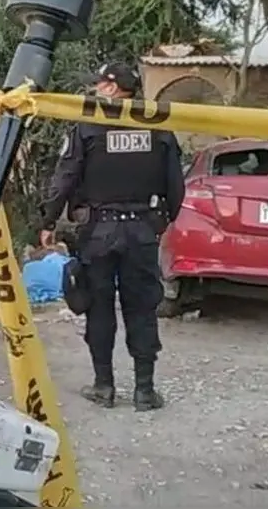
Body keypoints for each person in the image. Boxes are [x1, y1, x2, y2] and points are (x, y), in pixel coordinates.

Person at [39, 62, 183, 412]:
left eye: (103, 83)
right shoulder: (158, 126)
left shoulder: (88, 125)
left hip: (98, 231)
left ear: (118, 88)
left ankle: (104, 387)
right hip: (141, 230)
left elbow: (66, 175)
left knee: (99, 308)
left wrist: (47, 220)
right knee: (142, 308)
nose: (97, 88)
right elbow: (175, 185)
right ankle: (144, 392)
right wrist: (163, 222)